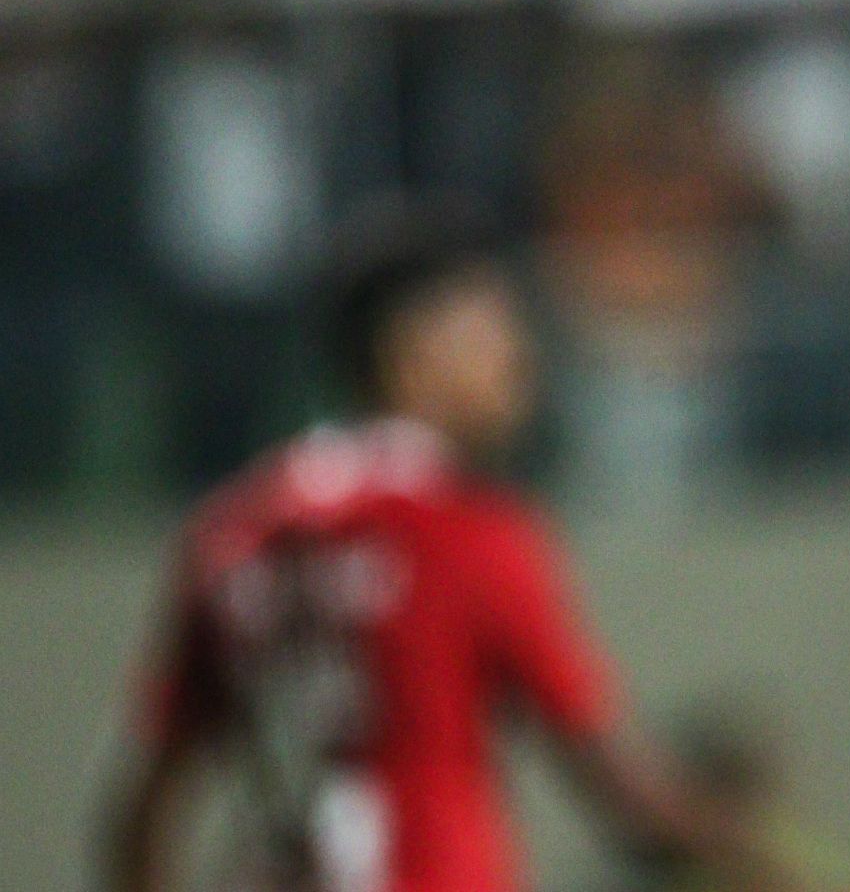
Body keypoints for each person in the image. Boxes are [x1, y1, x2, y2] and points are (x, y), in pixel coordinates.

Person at [101, 212, 780, 892]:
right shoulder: (464, 532)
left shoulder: (233, 530)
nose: (517, 359)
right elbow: (624, 794)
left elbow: (140, 804)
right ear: (412, 353)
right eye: (490, 330)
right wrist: (750, 850)